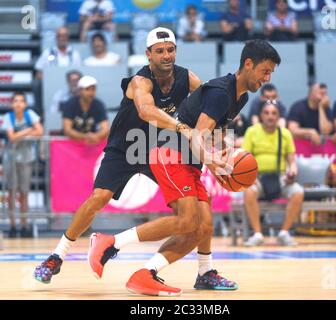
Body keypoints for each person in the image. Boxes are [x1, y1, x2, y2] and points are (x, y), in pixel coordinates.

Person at [34, 28, 234, 291]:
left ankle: (204, 271)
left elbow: (212, 101)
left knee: (194, 213)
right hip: (126, 148)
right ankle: (57, 256)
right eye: (160, 51)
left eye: (171, 49)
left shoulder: (187, 77)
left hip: (159, 151)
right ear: (148, 54)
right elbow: (146, 110)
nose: (166, 55)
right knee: (98, 199)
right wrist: (183, 128)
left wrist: (221, 135)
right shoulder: (140, 81)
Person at [87, 39, 281, 296]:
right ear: (248, 64)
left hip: (189, 158)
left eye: (270, 73)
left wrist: (225, 154)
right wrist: (212, 161)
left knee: (204, 226)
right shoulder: (221, 92)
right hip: (170, 153)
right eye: (264, 71)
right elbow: (197, 135)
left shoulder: (240, 96)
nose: (266, 78)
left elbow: (215, 133)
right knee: (188, 220)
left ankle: (189, 273)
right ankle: (110, 242)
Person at [242, 101, 304, 247]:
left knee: (298, 192)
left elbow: (292, 161)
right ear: (261, 116)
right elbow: (245, 158)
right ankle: (257, 234)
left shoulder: (285, 134)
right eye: (267, 113)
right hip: (258, 178)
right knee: (249, 192)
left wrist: (292, 172)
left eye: (274, 113)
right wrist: (251, 178)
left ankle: (284, 233)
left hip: (280, 178)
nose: (270, 116)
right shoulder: (252, 131)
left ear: (278, 117)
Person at [2, 92, 44, 238]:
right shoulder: (8, 117)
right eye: (15, 101)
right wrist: (29, 130)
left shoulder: (30, 114)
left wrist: (22, 134)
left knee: (24, 193)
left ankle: (24, 224)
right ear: (12, 104)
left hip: (27, 158)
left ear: (25, 104)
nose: (18, 104)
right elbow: (11, 137)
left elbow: (40, 131)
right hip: (11, 158)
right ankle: (13, 225)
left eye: (21, 101)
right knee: (11, 192)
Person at [62, 75, 110, 144]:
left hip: (91, 145)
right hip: (72, 146)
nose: (91, 92)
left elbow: (105, 129)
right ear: (80, 91)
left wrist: (96, 136)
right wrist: (86, 137)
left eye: (93, 89)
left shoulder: (99, 105)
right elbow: (67, 130)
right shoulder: (70, 104)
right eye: (87, 89)